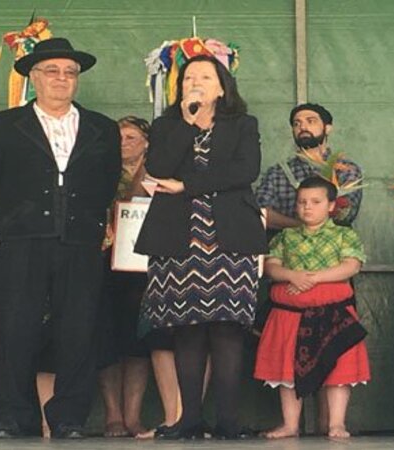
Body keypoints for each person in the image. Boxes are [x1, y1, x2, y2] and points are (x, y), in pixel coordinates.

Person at [0, 37, 120, 439]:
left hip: (79, 241)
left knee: (78, 329)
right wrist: (11, 222)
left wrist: (89, 222)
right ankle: (11, 416)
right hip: (23, 241)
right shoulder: (4, 125)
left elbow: (108, 180)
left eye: (70, 72)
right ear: (34, 77)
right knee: (15, 327)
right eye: (53, 71)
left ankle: (69, 417)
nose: (62, 78)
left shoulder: (102, 128)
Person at [134, 54, 267, 439]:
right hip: (178, 240)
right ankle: (189, 418)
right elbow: (159, 167)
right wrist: (188, 124)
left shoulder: (242, 124)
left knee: (227, 329)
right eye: (189, 77)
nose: (195, 82)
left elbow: (245, 170)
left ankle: (228, 420)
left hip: (230, 241)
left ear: (222, 87)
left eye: (205, 77)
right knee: (186, 330)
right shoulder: (167, 125)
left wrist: (188, 185)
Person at [254, 176, 370, 439]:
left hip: (334, 312)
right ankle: (290, 424)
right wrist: (291, 276)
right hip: (290, 314)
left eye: (316, 202)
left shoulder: (344, 234)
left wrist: (311, 279)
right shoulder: (285, 236)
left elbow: (351, 266)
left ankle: (337, 423)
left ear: (331, 205)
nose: (307, 207)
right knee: (286, 371)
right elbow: (271, 267)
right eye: (302, 202)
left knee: (339, 370)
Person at [97, 116, 179, 438]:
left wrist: (150, 167)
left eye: (131, 137)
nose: (124, 143)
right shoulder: (104, 173)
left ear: (147, 142)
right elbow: (122, 205)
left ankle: (132, 416)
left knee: (138, 343)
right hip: (107, 263)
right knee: (108, 341)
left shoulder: (163, 173)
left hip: (146, 267)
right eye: (119, 138)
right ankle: (112, 415)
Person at [255, 103, 362, 232]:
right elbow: (260, 213)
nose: (303, 127)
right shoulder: (277, 172)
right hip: (286, 242)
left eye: (311, 121)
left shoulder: (346, 169)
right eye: (296, 124)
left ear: (327, 128)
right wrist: (300, 227)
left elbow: (346, 215)